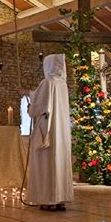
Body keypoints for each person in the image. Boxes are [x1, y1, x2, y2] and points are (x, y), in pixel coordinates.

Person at [27, 54, 73, 211]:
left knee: (46, 164)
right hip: (60, 134)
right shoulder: (63, 85)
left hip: (48, 131)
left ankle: (48, 199)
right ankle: (60, 198)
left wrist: (30, 101)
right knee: (59, 163)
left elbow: (37, 108)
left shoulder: (47, 83)